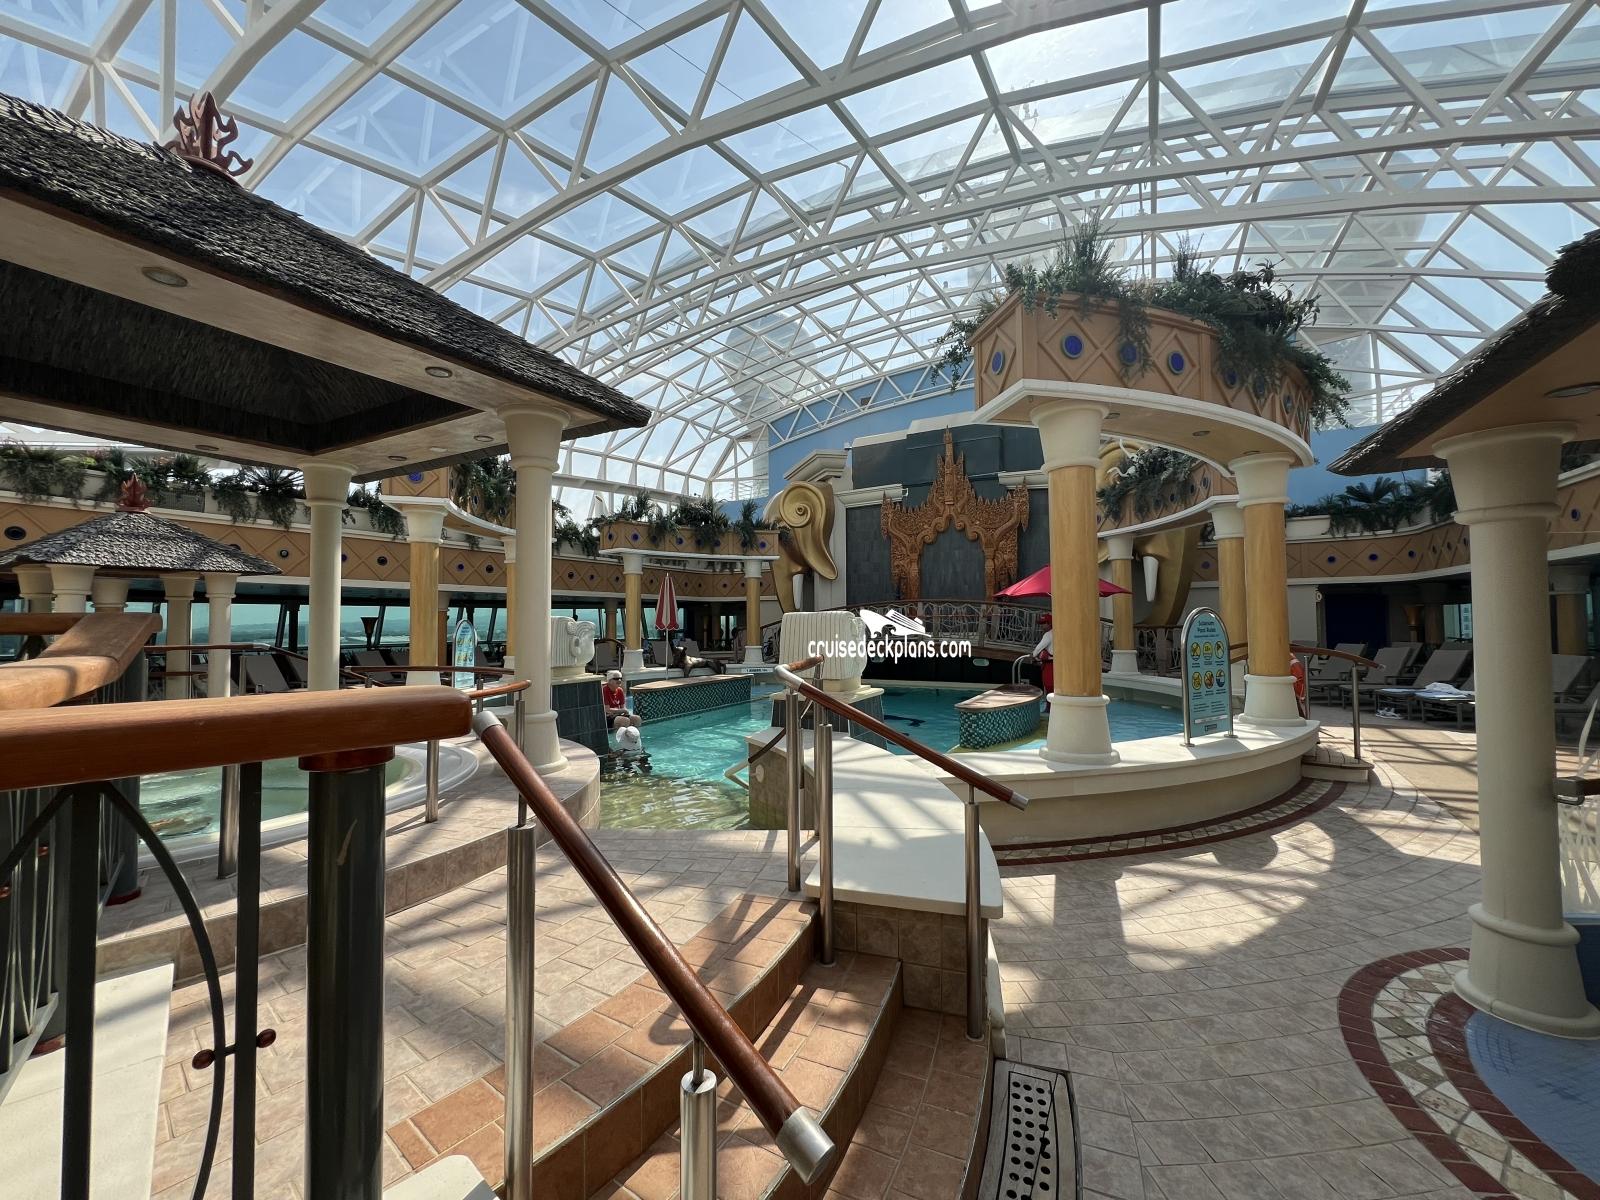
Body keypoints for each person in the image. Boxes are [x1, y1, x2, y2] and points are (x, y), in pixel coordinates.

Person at [1032, 614, 1054, 698]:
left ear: (1049, 623)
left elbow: (1038, 649)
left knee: (1049, 687)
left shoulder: (1048, 634)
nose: (1041, 626)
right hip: (1059, 664)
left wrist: (1033, 655)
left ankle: (1049, 704)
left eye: (1044, 623)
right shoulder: (1059, 633)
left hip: (1049, 664)